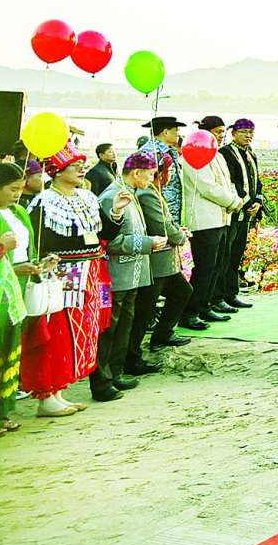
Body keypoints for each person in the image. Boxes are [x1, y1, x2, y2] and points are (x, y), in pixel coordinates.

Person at [21, 144, 105, 418]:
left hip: (88, 273)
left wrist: (115, 212)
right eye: (75, 166)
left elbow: (104, 231)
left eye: (82, 165)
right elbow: (37, 241)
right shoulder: (45, 202)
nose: (82, 169)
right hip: (61, 275)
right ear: (57, 171)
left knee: (76, 334)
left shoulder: (87, 197)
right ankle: (46, 395)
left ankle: (59, 391)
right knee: (57, 332)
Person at [92, 152, 164, 401]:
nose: (152, 179)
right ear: (136, 173)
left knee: (124, 326)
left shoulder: (129, 192)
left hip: (130, 274)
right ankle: (103, 378)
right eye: (151, 174)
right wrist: (147, 243)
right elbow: (109, 241)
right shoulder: (111, 196)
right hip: (115, 275)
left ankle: (117, 372)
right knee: (109, 329)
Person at [0, 163, 41, 435]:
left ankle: (4, 411)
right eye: (12, 189)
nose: (17, 194)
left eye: (20, 189)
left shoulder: (19, 212)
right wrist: (1, 247)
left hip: (15, 290)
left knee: (10, 351)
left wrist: (36, 264)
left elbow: (26, 248)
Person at [181, 117, 244, 325]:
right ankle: (190, 312)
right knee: (205, 267)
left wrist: (236, 199)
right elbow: (207, 187)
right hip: (204, 220)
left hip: (221, 218)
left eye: (223, 132)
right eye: (217, 132)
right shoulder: (194, 152)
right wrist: (233, 201)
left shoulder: (217, 154)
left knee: (218, 265)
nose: (221, 136)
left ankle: (205, 305)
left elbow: (227, 183)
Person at [131, 156, 192, 355]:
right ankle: (133, 354)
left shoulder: (154, 191)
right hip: (157, 261)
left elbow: (167, 222)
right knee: (145, 308)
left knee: (182, 291)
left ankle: (163, 334)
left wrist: (178, 230)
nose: (171, 175)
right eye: (169, 171)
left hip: (166, 261)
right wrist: (180, 236)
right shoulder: (147, 194)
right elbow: (161, 226)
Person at [217, 118, 265, 311]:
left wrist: (258, 201)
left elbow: (257, 181)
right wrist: (247, 203)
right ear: (233, 133)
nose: (248, 135)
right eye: (244, 132)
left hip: (248, 213)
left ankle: (231, 293)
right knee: (225, 255)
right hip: (234, 211)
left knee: (236, 254)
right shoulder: (226, 153)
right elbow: (231, 182)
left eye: (250, 132)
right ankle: (219, 296)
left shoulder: (250, 153)